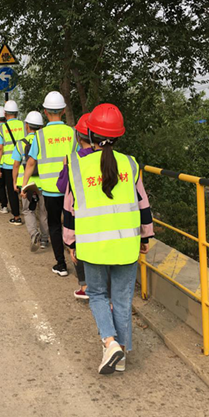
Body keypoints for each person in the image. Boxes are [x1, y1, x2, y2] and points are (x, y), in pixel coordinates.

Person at [64, 103, 154, 374]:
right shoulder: (130, 164)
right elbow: (143, 203)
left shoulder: (77, 165)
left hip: (92, 246)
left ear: (90, 134)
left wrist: (70, 241)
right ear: (118, 136)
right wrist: (145, 236)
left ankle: (110, 342)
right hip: (126, 245)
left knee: (98, 295)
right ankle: (121, 355)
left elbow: (70, 209)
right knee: (123, 299)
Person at [21, 91, 77, 277]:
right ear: (63, 111)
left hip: (50, 191)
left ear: (45, 112)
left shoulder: (40, 136)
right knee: (74, 225)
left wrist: (24, 185)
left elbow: (31, 163)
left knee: (54, 225)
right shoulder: (73, 133)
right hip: (71, 189)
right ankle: (80, 266)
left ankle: (61, 264)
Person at [58, 113, 91, 299]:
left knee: (80, 250)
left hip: (80, 216)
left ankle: (85, 286)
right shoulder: (113, 159)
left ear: (78, 137)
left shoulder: (73, 160)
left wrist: (69, 240)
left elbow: (63, 187)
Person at [11, 111, 50, 251]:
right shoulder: (44, 141)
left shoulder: (20, 144)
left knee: (28, 210)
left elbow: (16, 165)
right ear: (41, 127)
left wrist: (15, 182)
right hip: (44, 183)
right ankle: (44, 240)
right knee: (44, 212)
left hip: (27, 183)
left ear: (27, 126)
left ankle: (34, 233)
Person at [0, 100, 25, 225]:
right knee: (25, 186)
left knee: (12, 190)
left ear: (5, 113)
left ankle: (16, 217)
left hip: (9, 164)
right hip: (24, 162)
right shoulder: (24, 125)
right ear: (17, 113)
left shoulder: (1, 128)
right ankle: (28, 212)